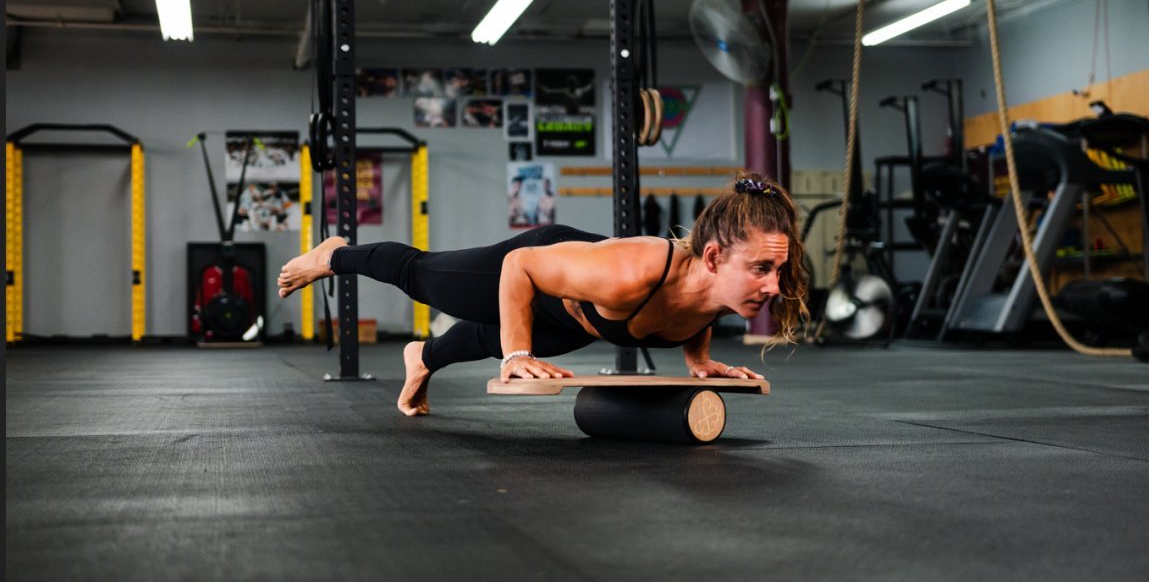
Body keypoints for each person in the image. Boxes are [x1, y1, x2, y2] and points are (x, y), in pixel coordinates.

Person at [277, 172, 809, 416]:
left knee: (489, 340)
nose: (774, 286)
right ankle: (335, 254)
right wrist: (518, 352)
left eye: (779, 271)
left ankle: (423, 358)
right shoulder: (627, 274)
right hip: (536, 266)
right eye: (762, 268)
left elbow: (696, 306)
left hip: (577, 319)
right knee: (423, 279)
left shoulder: (715, 290)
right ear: (714, 258)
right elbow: (519, 266)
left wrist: (701, 361)